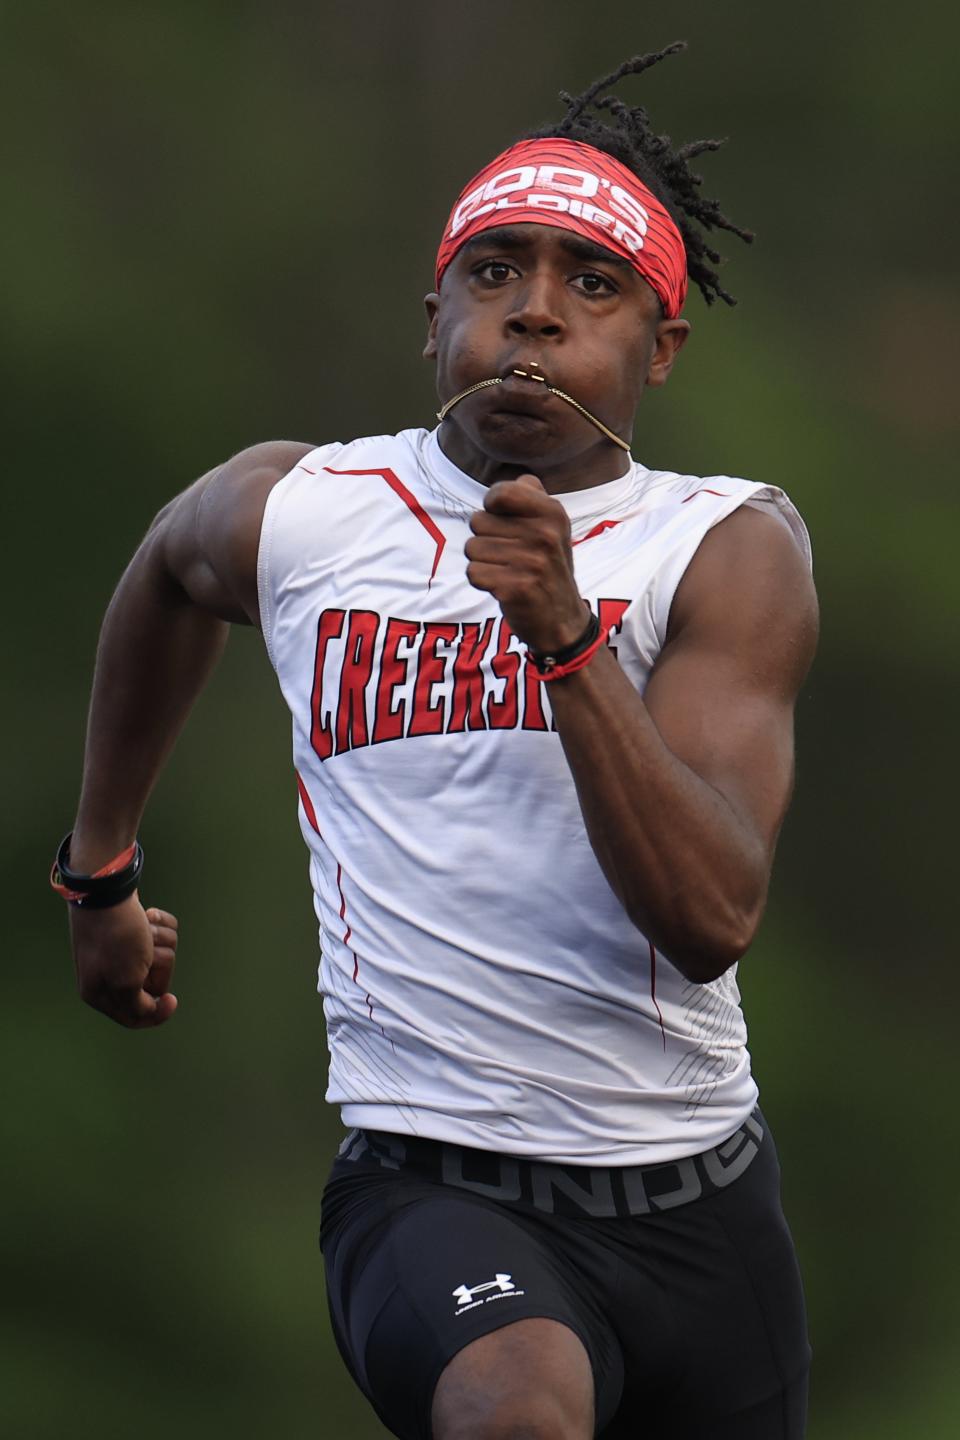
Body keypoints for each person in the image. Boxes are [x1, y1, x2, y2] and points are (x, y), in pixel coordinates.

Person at [54, 43, 818, 1440]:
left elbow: (712, 915)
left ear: (661, 345)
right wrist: (100, 872)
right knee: (517, 1419)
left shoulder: (722, 549)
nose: (533, 318)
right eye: (494, 273)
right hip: (432, 1184)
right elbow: (165, 575)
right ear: (431, 318)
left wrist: (566, 638)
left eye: (592, 285)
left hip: (696, 1200)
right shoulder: (301, 512)